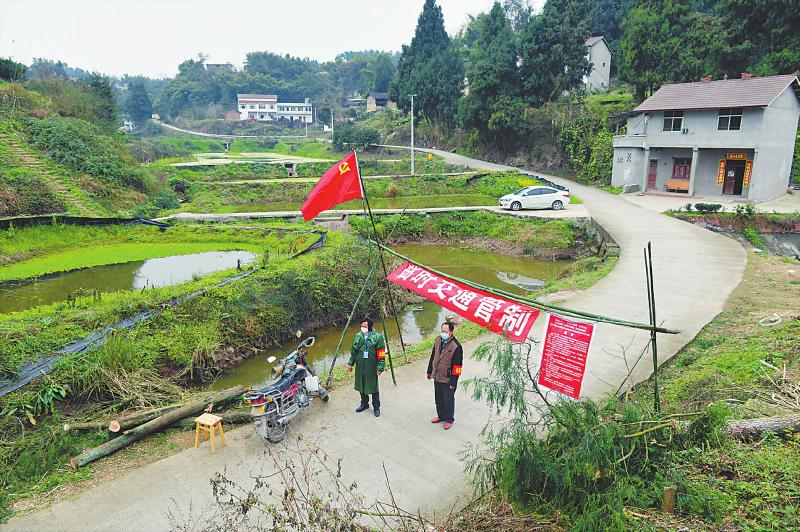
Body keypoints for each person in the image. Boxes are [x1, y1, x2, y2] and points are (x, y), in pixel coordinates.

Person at [346, 317, 386, 417]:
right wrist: (350, 363)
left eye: (365, 326)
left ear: (370, 326)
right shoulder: (358, 336)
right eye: (362, 326)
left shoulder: (377, 337)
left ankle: (376, 407)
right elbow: (353, 351)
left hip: (371, 366)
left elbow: (381, 354)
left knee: (373, 387)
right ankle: (364, 404)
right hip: (360, 366)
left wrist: (380, 367)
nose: (362, 328)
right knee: (361, 385)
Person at [427, 321, 463, 430]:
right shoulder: (438, 340)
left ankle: (449, 419)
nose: (443, 333)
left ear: (451, 332)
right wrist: (429, 371)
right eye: (442, 331)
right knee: (438, 399)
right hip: (437, 375)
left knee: (448, 400)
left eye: (445, 331)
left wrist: (453, 381)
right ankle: (441, 416)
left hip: (447, 379)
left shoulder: (456, 346)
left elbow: (457, 367)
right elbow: (433, 356)